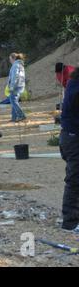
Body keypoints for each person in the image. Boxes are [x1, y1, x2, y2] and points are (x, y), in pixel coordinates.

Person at [60, 67, 79, 233]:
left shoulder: (73, 84)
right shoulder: (75, 88)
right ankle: (70, 222)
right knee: (74, 181)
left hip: (69, 138)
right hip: (73, 140)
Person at [7, 53, 26, 122]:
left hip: (16, 86)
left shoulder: (15, 65)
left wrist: (12, 86)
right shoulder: (19, 65)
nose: (10, 61)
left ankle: (21, 115)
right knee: (13, 101)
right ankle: (14, 118)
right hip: (20, 85)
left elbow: (15, 76)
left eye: (10, 59)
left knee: (13, 100)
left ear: (14, 58)